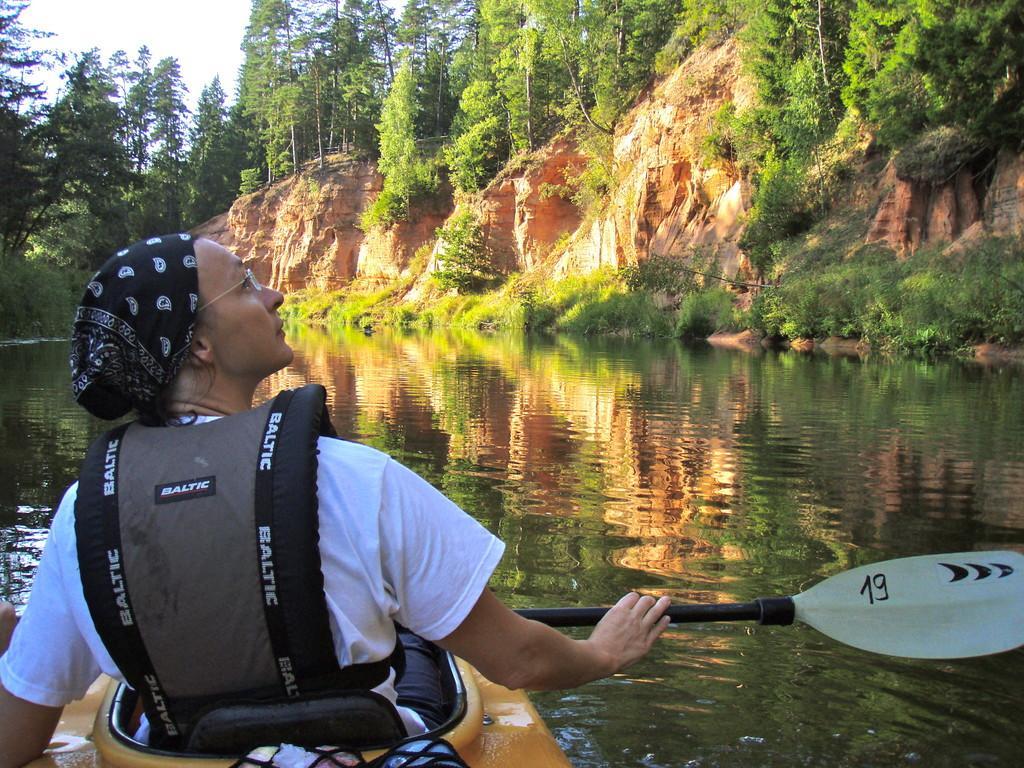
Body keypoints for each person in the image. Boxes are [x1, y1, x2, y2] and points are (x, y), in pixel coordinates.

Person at [0, 234, 671, 768]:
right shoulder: (356, 480)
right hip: (368, 744)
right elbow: (518, 661)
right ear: (200, 345)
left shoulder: (81, 516)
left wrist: (18, 649)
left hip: (178, 752)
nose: (274, 293)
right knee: (421, 652)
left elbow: (17, 739)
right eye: (244, 284)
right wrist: (602, 655)